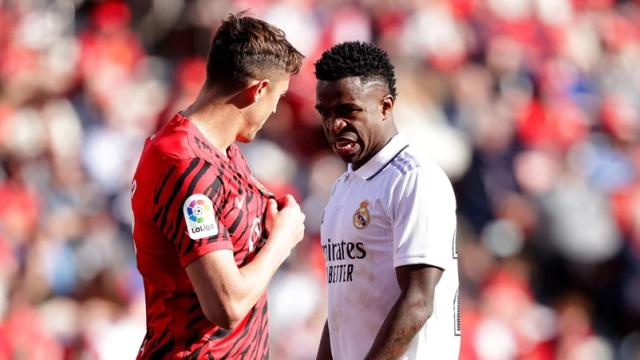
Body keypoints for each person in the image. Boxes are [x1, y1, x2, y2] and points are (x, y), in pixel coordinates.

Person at [131, 13, 305, 359]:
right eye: (279, 98)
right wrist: (282, 243)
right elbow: (226, 304)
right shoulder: (184, 163)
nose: (274, 112)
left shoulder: (226, 154)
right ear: (259, 90)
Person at [314, 41, 460, 360]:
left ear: (385, 106)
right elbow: (341, 308)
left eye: (348, 110)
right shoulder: (344, 187)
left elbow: (419, 301)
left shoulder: (414, 178)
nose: (334, 125)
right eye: (324, 113)